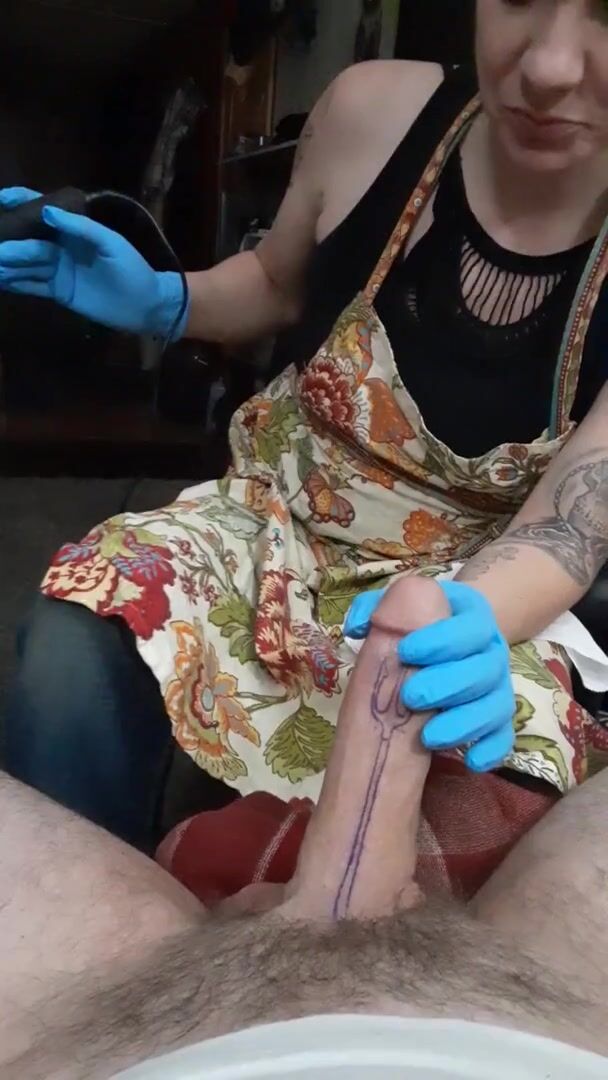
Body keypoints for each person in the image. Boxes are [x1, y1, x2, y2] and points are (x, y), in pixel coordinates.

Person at [2, 0, 608, 882]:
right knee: (69, 649)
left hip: (480, 583)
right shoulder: (372, 114)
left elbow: (570, 524)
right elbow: (278, 282)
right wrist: (170, 299)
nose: (549, 65)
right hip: (275, 516)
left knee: (450, 835)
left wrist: (453, 623)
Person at [1, 578, 607, 1079]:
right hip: (544, 1043)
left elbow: (566, 529)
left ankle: (337, 895)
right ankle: (346, 894)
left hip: (118, 1045)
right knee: (71, 635)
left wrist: (469, 625)